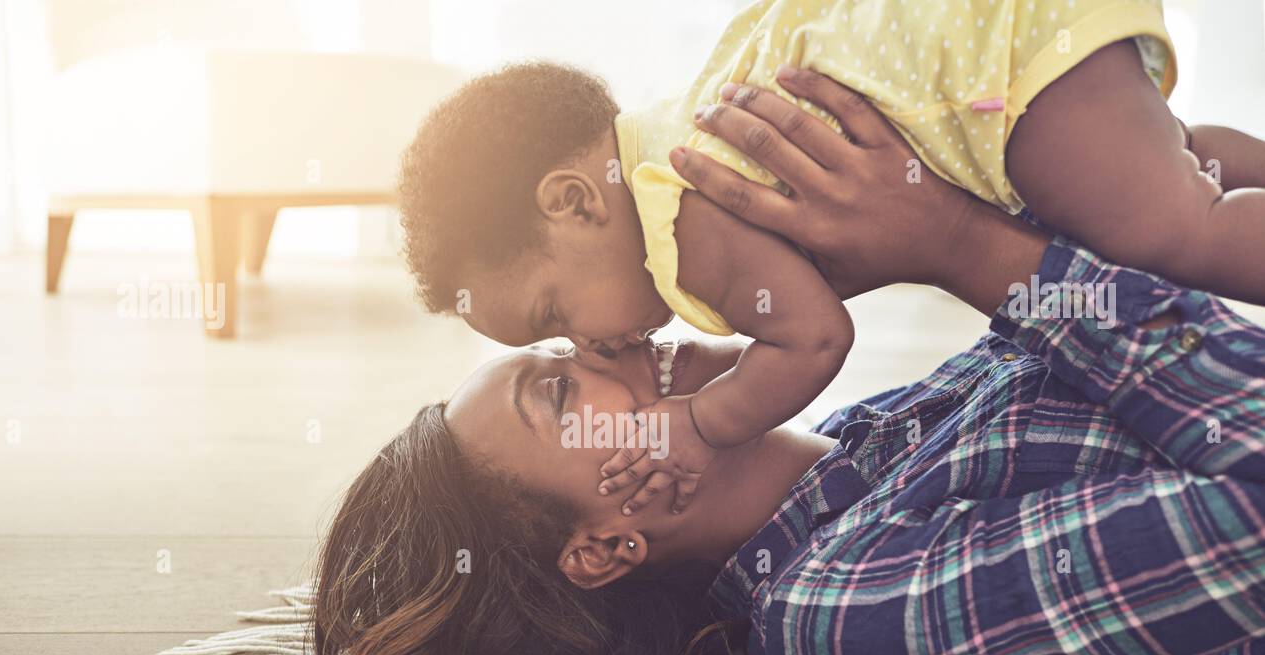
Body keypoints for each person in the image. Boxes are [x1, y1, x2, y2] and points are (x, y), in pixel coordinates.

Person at [315, 72, 1265, 655]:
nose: (619, 340)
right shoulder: (841, 619)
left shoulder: (877, 436)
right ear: (603, 546)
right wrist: (955, 247)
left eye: (568, 339)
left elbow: (1121, 297)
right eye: (559, 386)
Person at [395, 0, 1265, 513]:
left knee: (1177, 233)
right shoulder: (673, 135)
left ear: (575, 202)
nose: (590, 348)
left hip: (992, 65)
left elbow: (813, 339)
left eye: (554, 318)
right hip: (990, 66)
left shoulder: (684, 224)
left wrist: (702, 423)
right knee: (1171, 167)